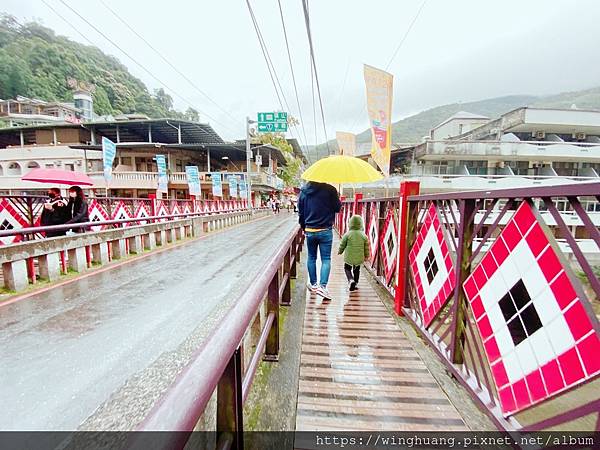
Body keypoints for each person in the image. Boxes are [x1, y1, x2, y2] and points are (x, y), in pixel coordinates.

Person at [298, 181, 341, 300]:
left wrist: (304, 227)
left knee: (311, 257)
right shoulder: (330, 190)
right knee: (326, 259)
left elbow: (301, 213)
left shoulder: (304, 191)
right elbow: (337, 208)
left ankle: (313, 284)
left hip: (310, 230)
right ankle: (322, 287)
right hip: (325, 230)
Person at [338, 215, 369, 291]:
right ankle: (355, 282)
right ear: (361, 224)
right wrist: (366, 256)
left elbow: (342, 244)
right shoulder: (364, 235)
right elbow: (366, 248)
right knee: (357, 270)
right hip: (359, 257)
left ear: (350, 224)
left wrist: (340, 251)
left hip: (349, 257)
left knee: (347, 268)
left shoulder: (347, 234)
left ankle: (350, 280)